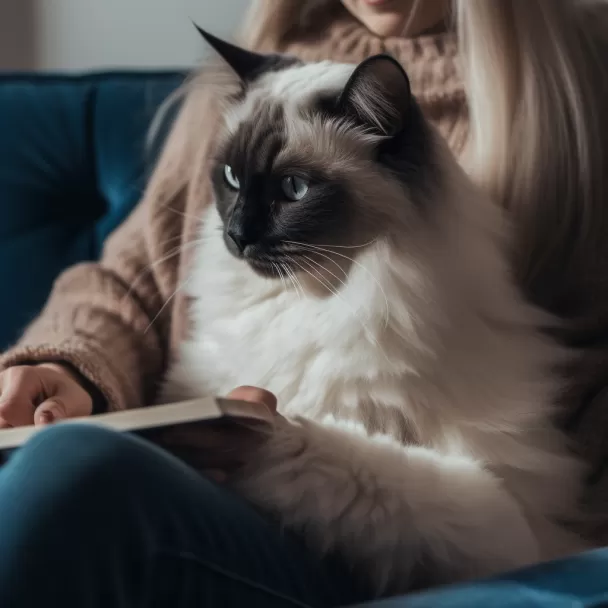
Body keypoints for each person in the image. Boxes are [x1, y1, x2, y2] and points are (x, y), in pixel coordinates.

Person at [1, 0, 608, 606]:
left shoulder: (578, 71)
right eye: (234, 186)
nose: (239, 232)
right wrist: (67, 370)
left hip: (394, 539)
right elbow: (135, 279)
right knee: (64, 465)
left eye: (293, 188)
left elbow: (507, 522)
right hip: (214, 493)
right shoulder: (261, 60)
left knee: (74, 472)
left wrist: (286, 459)